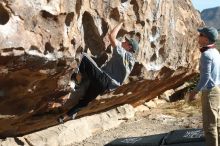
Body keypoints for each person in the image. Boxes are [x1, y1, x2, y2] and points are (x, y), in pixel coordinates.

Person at [56, 22, 139, 123]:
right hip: (105, 86)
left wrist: (121, 23)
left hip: (103, 78)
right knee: (85, 101)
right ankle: (65, 117)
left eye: (126, 42)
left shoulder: (122, 53)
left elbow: (112, 36)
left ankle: (75, 81)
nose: (123, 42)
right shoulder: (131, 62)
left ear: (129, 47)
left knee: (84, 57)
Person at [189, 26, 220, 146]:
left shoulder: (206, 54)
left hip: (210, 92)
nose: (198, 36)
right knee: (217, 123)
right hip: (217, 90)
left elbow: (205, 78)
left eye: (201, 35)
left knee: (209, 126)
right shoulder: (216, 52)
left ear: (206, 40)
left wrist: (195, 92)